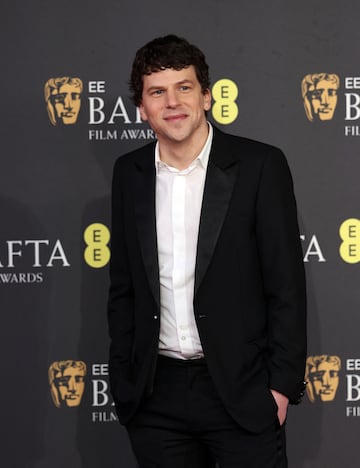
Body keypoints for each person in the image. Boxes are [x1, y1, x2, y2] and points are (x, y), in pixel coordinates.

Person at [108, 34, 307, 467]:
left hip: (241, 391)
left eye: (184, 87)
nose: (172, 101)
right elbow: (122, 287)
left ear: (207, 96)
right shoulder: (129, 173)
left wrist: (279, 387)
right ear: (142, 108)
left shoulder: (260, 166)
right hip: (155, 397)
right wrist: (126, 379)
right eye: (157, 92)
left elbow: (286, 286)